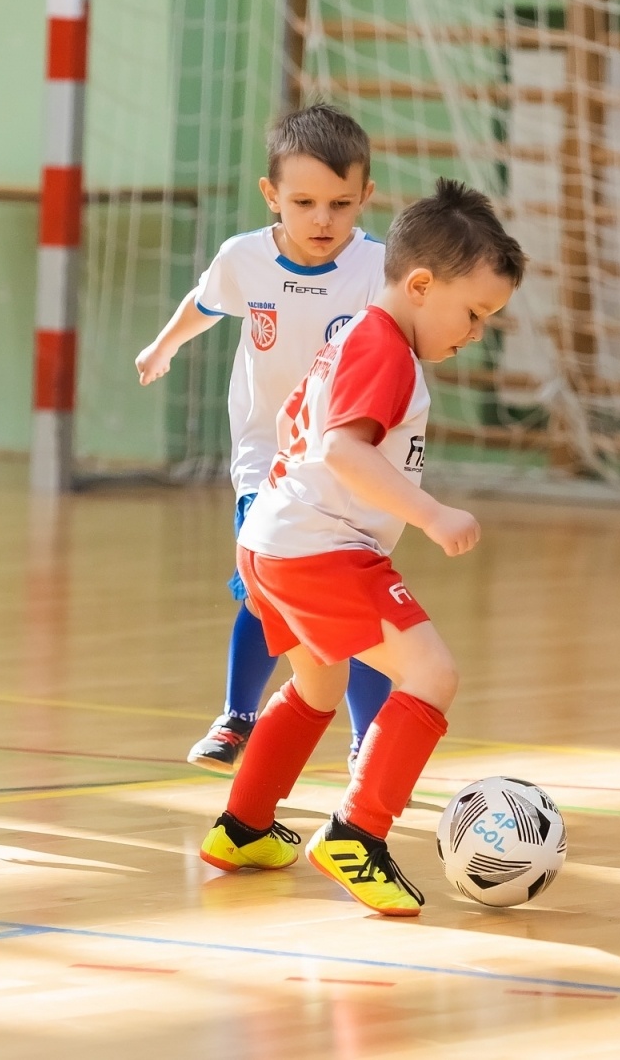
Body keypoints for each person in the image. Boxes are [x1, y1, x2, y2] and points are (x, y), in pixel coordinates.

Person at [197, 178, 525, 916]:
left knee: (316, 686)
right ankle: (357, 835)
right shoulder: (387, 350)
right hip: (320, 550)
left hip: (273, 541)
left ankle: (244, 827)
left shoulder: (352, 333)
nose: (472, 334)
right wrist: (432, 514)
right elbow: (346, 450)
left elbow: (296, 419)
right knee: (432, 674)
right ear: (418, 283)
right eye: (471, 314)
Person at [135, 104, 393, 774]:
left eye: (341, 203)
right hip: (268, 462)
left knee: (356, 601)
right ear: (270, 194)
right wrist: (164, 345)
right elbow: (205, 302)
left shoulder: (380, 271)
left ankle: (368, 742)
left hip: (353, 467)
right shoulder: (243, 258)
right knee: (262, 584)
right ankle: (237, 718)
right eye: (304, 202)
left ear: (366, 195)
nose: (322, 220)